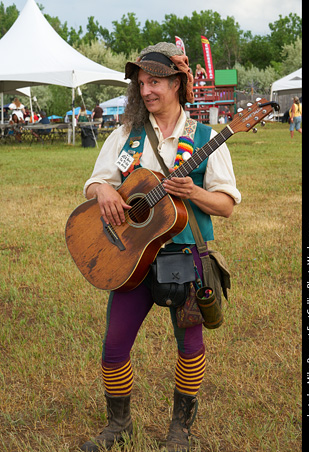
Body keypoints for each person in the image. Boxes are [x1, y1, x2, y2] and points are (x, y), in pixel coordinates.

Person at [80, 42, 241, 452]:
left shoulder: (205, 138)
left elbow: (225, 205)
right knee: (114, 347)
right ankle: (120, 425)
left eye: (155, 82)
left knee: (190, 348)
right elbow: (97, 182)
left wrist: (194, 193)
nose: (147, 90)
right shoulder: (125, 135)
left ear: (177, 84)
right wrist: (103, 192)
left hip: (184, 259)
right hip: (130, 257)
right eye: (142, 83)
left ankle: (180, 431)